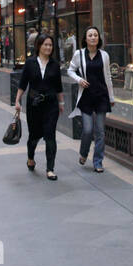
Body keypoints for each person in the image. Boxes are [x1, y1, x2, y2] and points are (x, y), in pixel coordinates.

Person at [15, 33, 64, 180]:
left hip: (51, 104)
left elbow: (58, 86)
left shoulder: (55, 65)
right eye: (45, 45)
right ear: (39, 46)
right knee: (34, 136)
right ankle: (31, 157)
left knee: (50, 136)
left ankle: (50, 169)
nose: (48, 47)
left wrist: (61, 103)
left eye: (50, 45)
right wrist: (17, 101)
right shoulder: (30, 63)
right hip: (34, 104)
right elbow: (23, 84)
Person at [67, 26, 115, 173]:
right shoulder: (79, 54)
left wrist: (111, 97)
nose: (93, 37)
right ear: (85, 39)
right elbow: (70, 70)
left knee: (100, 131)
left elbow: (107, 76)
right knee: (87, 130)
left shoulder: (104, 55)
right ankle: (83, 152)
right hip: (86, 96)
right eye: (90, 35)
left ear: (99, 38)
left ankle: (98, 161)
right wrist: (79, 79)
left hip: (101, 96)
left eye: (95, 35)